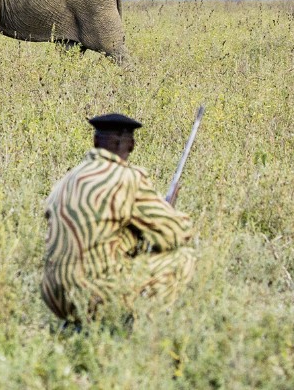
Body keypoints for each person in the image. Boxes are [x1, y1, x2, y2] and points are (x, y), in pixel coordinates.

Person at [41, 113, 197, 325]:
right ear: (131, 145)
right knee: (184, 257)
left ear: (95, 142)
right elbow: (175, 233)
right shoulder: (128, 178)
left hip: (54, 296)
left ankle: (77, 324)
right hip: (95, 293)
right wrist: (168, 211)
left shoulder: (66, 179)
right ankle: (133, 325)